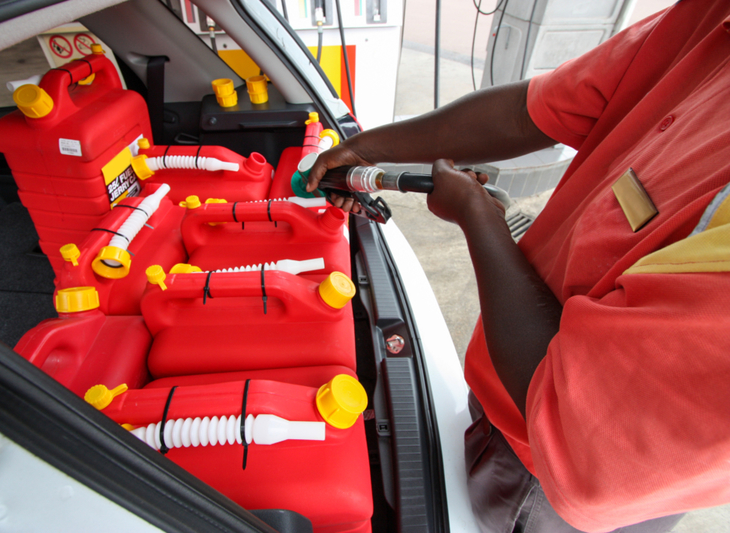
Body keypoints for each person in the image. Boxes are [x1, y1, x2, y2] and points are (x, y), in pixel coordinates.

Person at [306, 0, 730, 531]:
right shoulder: (713, 18)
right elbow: (530, 109)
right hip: (509, 394)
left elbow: (582, 435)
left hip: (550, 478)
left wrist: (479, 221)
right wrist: (367, 150)